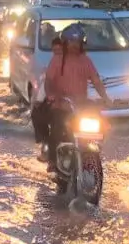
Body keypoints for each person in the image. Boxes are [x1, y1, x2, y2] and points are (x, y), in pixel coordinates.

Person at [43, 24, 111, 171]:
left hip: (81, 106)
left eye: (77, 42)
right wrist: (51, 95)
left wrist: (105, 97)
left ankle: (93, 151)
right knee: (56, 129)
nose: (74, 45)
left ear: (82, 43)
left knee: (101, 124)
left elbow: (96, 80)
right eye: (71, 42)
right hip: (61, 105)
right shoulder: (57, 60)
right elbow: (48, 81)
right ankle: (53, 162)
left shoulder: (86, 61)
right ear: (65, 43)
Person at [32, 37, 63, 161]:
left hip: (68, 105)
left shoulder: (78, 62)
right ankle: (46, 144)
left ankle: (48, 147)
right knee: (37, 113)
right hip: (62, 102)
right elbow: (47, 84)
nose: (57, 53)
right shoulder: (55, 63)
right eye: (55, 50)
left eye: (59, 50)